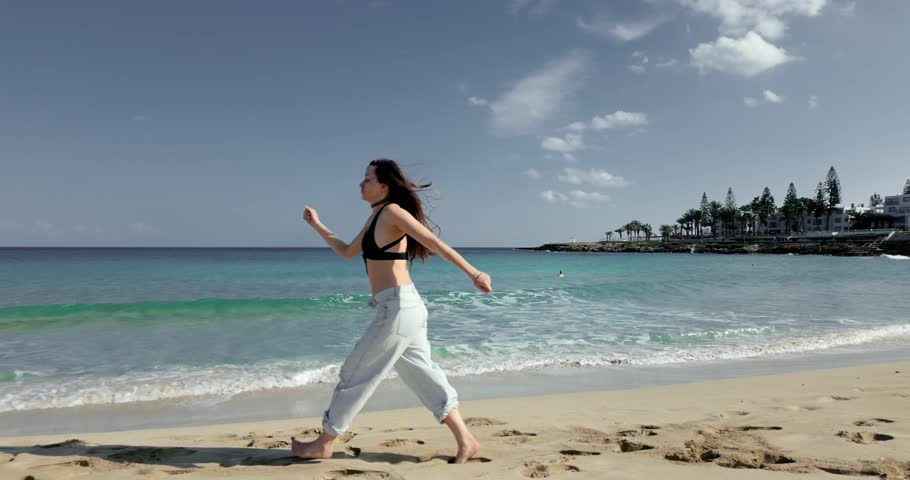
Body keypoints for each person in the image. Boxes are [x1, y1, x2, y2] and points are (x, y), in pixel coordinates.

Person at [294, 158, 492, 464]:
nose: (361, 184)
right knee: (424, 376)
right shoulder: (376, 216)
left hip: (399, 308)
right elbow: (347, 251)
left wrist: (474, 273)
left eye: (368, 179)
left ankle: (325, 442)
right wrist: (317, 225)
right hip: (400, 307)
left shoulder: (392, 212)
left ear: (384, 186)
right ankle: (467, 441)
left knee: (356, 372)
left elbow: (433, 242)